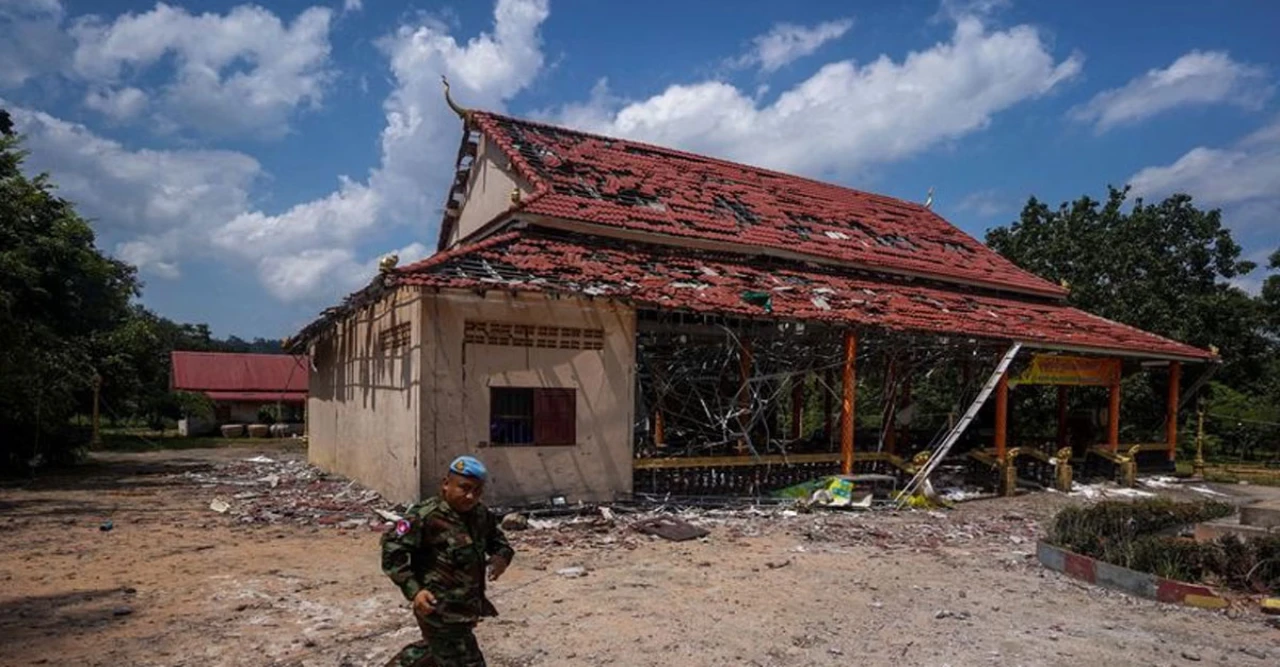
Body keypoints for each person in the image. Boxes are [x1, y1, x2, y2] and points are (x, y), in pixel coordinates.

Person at [381, 456, 514, 667]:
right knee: (465, 660)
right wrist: (415, 591)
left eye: (477, 491)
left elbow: (499, 543)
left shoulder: (480, 515)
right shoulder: (425, 517)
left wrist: (501, 558)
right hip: (437, 608)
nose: (470, 496)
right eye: (464, 488)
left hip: (467, 607)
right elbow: (392, 550)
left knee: (437, 652)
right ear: (446, 484)